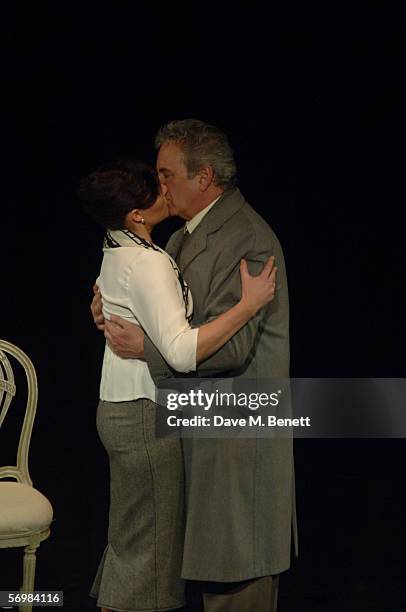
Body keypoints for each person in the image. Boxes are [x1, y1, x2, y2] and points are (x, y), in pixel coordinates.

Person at [92, 121, 297, 612]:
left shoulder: (247, 237)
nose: (159, 187)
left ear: (203, 177)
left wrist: (148, 347)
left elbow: (234, 348)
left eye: (167, 175)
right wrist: (110, 308)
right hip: (193, 423)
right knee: (162, 559)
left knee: (235, 578)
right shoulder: (183, 238)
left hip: (235, 439)